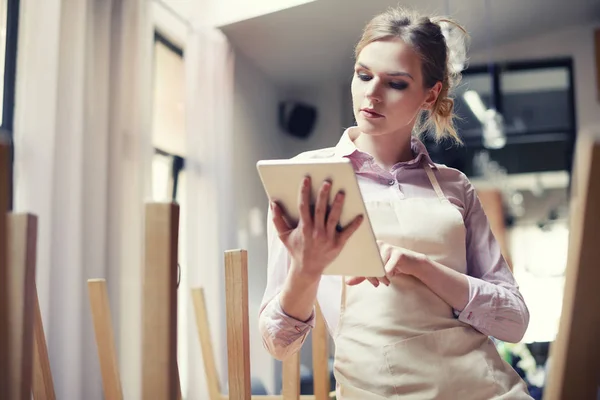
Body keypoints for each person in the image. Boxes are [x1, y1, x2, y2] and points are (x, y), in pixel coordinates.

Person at [258, 6, 532, 399]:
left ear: (430, 94)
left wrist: (421, 267)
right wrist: (306, 269)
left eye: (396, 83)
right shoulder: (308, 179)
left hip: (489, 389)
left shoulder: (455, 186)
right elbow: (278, 343)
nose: (371, 92)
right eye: (363, 74)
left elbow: (514, 321)